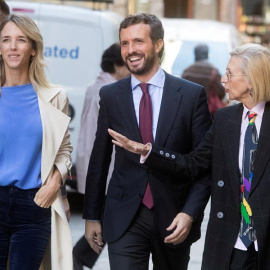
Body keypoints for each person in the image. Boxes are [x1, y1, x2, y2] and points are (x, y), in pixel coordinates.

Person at [108, 43, 270, 269]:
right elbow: (194, 164)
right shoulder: (225, 120)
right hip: (229, 242)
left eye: (230, 74)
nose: (223, 79)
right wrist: (149, 152)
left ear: (252, 79)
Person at [83, 13, 212, 270]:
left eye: (138, 41)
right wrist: (91, 216)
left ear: (158, 44)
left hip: (174, 217)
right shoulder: (110, 95)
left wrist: (190, 213)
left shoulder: (190, 95)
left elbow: (204, 165)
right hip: (124, 216)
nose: (131, 50)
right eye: (125, 43)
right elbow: (99, 159)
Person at [0, 14, 73, 270]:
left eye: (21, 40)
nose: (12, 46)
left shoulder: (54, 97)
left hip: (34, 204)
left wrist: (54, 183)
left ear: (33, 49)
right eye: (6, 40)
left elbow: (64, 150)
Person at [73, 43, 129, 270]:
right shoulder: (106, 90)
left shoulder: (98, 85)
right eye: (126, 63)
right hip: (106, 168)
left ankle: (79, 258)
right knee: (106, 221)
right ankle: (77, 257)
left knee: (105, 221)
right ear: (117, 65)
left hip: (94, 163)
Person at [182, 43, 226, 114]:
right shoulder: (213, 71)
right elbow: (221, 93)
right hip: (208, 112)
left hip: (190, 111)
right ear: (207, 54)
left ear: (195, 54)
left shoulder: (187, 71)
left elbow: (182, 92)